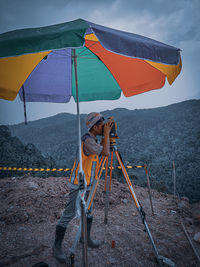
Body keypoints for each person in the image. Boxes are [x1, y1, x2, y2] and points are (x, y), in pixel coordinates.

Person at [53, 112, 113, 263]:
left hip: (88, 184)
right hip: (78, 184)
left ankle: (85, 239)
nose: (103, 128)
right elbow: (105, 152)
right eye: (101, 126)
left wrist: (106, 135)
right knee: (69, 214)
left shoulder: (93, 139)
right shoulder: (87, 141)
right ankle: (57, 247)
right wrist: (107, 134)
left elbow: (102, 152)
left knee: (89, 212)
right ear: (94, 126)